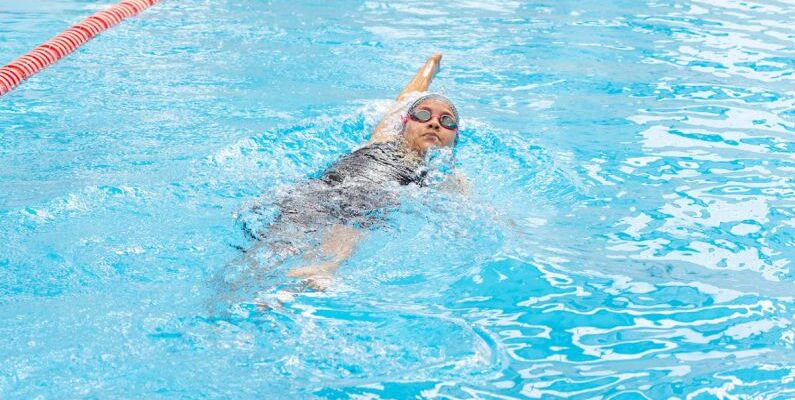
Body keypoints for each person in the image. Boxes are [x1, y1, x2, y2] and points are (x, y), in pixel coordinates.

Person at [231, 53, 464, 296]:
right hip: (316, 192)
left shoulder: (449, 176)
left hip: (365, 203)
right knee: (269, 250)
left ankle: (308, 276)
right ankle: (238, 292)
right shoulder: (384, 139)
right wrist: (430, 67)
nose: (434, 123)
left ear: (455, 137)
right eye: (423, 115)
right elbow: (406, 97)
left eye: (447, 121)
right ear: (404, 123)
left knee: (359, 214)